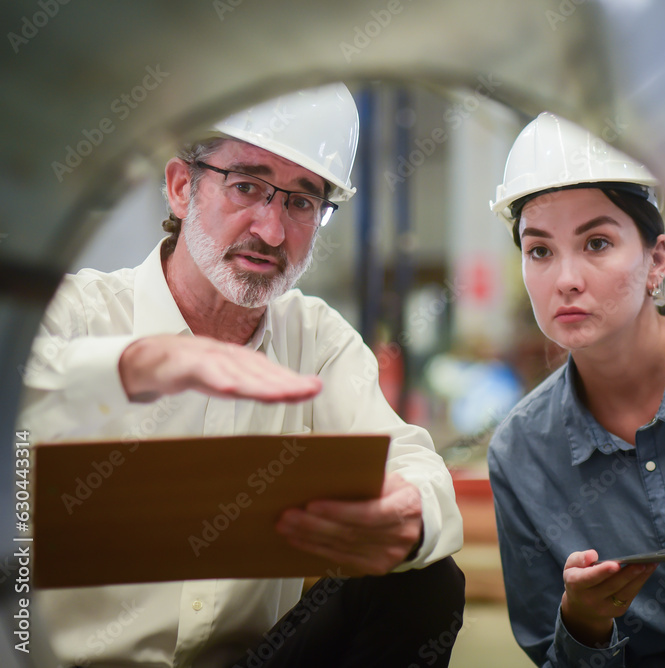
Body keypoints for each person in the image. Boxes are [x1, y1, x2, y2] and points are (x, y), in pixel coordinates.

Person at [19, 83, 464, 668]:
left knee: (424, 581)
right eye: (247, 186)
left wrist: (407, 517)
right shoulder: (77, 313)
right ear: (182, 187)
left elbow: (409, 459)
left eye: (301, 202)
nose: (272, 231)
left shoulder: (314, 339)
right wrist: (132, 366)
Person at [487, 112, 665, 668]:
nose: (565, 278)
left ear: (656, 260)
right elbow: (553, 657)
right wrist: (585, 623)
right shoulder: (522, 453)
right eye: (540, 250)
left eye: (596, 243)